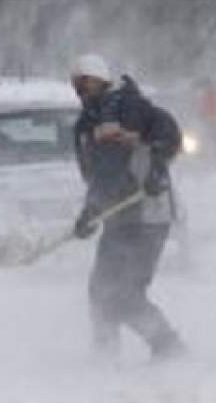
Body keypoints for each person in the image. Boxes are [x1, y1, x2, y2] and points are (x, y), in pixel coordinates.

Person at [69, 53, 186, 360]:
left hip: (149, 215)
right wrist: (90, 211)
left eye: (88, 82)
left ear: (103, 80)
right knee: (100, 291)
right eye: (78, 84)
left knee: (124, 294)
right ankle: (105, 355)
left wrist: (158, 164)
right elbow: (98, 177)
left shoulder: (128, 106)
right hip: (118, 218)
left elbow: (168, 130)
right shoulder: (86, 125)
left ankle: (169, 347)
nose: (83, 90)